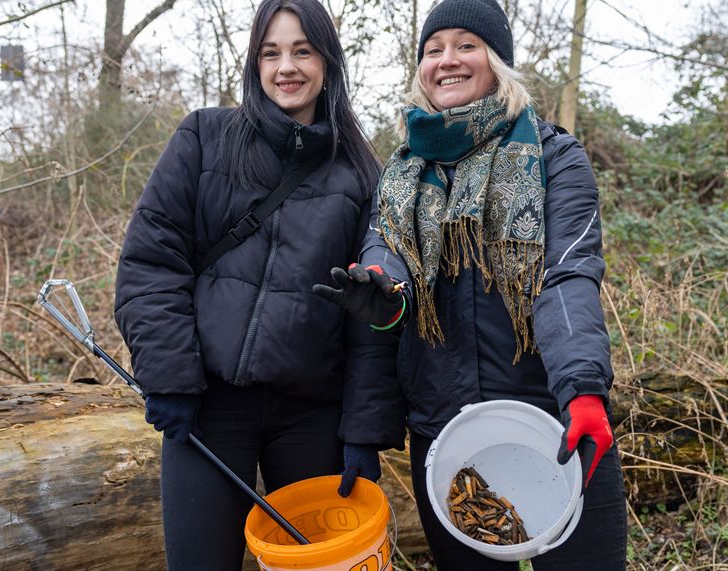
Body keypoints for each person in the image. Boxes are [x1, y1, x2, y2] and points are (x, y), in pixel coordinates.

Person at [314, 0, 628, 569]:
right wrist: (384, 293)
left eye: (465, 45)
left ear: (497, 62)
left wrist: (582, 388)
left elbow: (567, 275)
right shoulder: (400, 173)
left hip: (553, 422)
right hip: (446, 437)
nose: (446, 60)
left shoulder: (555, 158)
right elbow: (385, 255)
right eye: (433, 50)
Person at [113, 1, 390, 569]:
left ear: (327, 63)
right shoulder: (204, 137)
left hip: (312, 415)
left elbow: (371, 318)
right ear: (254, 63)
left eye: (302, 51)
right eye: (271, 53)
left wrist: (364, 428)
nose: (286, 67)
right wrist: (170, 379)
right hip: (209, 409)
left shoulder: (362, 175)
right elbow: (151, 261)